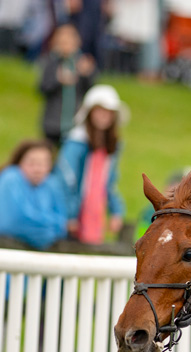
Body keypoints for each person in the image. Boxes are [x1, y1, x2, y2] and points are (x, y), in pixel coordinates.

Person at [56, 84, 128, 245]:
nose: (104, 116)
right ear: (89, 113)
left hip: (95, 208)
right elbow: (67, 179)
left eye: (109, 112)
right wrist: (71, 214)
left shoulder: (111, 146)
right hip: (74, 212)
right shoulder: (76, 142)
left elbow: (110, 181)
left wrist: (116, 210)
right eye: (99, 110)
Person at [0, 139, 68, 250]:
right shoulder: (10, 178)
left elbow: (61, 225)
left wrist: (38, 224)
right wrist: (48, 229)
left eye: (43, 164)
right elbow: (15, 222)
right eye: (32, 163)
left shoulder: (51, 184)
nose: (37, 169)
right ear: (20, 162)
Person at [38, 22, 96, 148]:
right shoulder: (51, 62)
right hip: (52, 122)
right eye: (63, 42)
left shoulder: (81, 62)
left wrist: (86, 74)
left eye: (70, 43)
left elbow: (90, 92)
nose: (66, 47)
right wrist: (58, 80)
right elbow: (42, 88)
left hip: (74, 122)